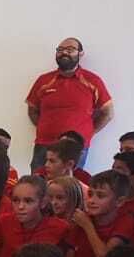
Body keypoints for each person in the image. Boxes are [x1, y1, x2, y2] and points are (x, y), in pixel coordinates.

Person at [25, 36, 113, 169]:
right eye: (60, 49)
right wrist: (44, 127)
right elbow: (32, 109)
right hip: (44, 144)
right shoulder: (44, 80)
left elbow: (107, 112)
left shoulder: (93, 81)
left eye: (70, 49)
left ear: (80, 53)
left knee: (70, 186)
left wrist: (88, 132)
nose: (64, 52)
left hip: (76, 147)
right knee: (38, 185)